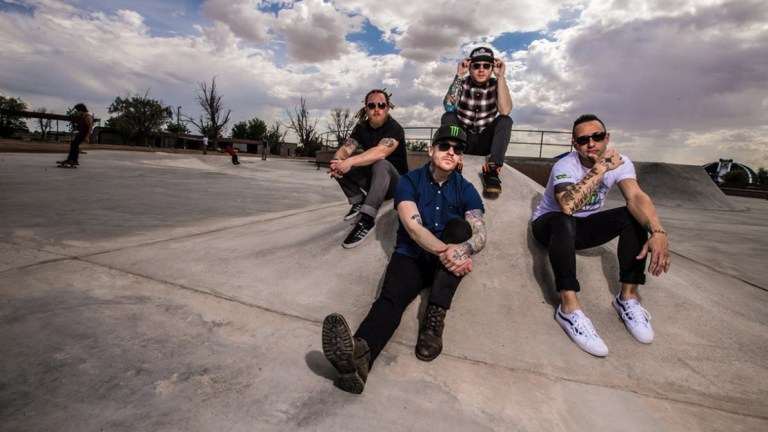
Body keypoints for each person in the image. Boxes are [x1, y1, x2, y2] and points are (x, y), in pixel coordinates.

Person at [322, 125, 487, 394]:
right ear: (431, 150)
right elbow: (414, 228)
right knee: (390, 300)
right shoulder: (410, 182)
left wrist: (466, 248)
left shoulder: (466, 189)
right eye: (444, 146)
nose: (451, 152)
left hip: (444, 266)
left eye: (457, 149)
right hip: (411, 255)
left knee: (461, 228)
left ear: (460, 158)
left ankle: (434, 319)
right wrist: (451, 253)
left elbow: (480, 232)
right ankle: (359, 356)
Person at [531, 114, 671, 357]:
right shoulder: (565, 165)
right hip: (550, 226)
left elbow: (636, 197)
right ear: (575, 145)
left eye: (597, 137)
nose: (591, 144)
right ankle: (569, 309)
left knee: (632, 216)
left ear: (607, 138)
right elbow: (568, 206)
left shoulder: (622, 162)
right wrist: (601, 167)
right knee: (565, 220)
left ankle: (627, 298)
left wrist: (657, 230)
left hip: (583, 228)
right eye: (583, 140)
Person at [328, 89, 408, 248]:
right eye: (372, 106)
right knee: (339, 165)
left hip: (396, 184)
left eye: (381, 105)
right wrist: (338, 161)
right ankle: (358, 201)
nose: (376, 109)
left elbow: (381, 152)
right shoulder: (361, 128)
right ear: (366, 109)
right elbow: (346, 149)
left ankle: (367, 220)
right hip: (374, 180)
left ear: (387, 108)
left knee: (380, 163)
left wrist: (350, 161)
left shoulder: (394, 128)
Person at [442, 46, 513, 197]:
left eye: (486, 66)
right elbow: (448, 106)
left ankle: (492, 170)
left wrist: (501, 77)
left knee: (505, 120)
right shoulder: (462, 83)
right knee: (448, 116)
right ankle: (453, 164)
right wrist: (459, 75)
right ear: (470, 67)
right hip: (463, 141)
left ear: (492, 68)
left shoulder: (496, 85)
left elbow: (505, 110)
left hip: (484, 141)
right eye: (476, 66)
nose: (481, 70)